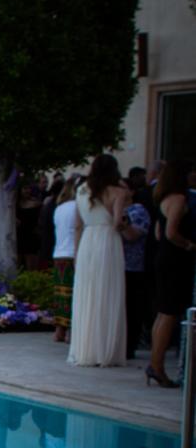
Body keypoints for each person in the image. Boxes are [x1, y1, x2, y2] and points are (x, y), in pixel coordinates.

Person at [69, 154, 128, 367]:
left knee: (88, 293)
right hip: (107, 242)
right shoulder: (119, 192)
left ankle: (86, 348)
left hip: (87, 242)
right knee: (107, 292)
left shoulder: (82, 190)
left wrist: (76, 253)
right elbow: (117, 223)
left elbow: (77, 225)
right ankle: (105, 350)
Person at [148, 159, 196, 387]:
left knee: (163, 312)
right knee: (169, 313)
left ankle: (155, 363)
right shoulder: (178, 199)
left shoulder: (162, 200)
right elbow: (169, 232)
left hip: (164, 258)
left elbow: (158, 233)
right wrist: (188, 244)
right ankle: (157, 366)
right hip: (175, 260)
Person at [121, 191, 151, 360]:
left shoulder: (137, 210)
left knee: (132, 308)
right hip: (118, 265)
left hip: (134, 267)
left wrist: (122, 221)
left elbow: (132, 235)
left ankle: (129, 346)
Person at [51, 176, 81, 343]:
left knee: (61, 294)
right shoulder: (77, 207)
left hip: (59, 253)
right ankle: (70, 331)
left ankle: (59, 330)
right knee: (73, 293)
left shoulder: (59, 208)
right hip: (72, 253)